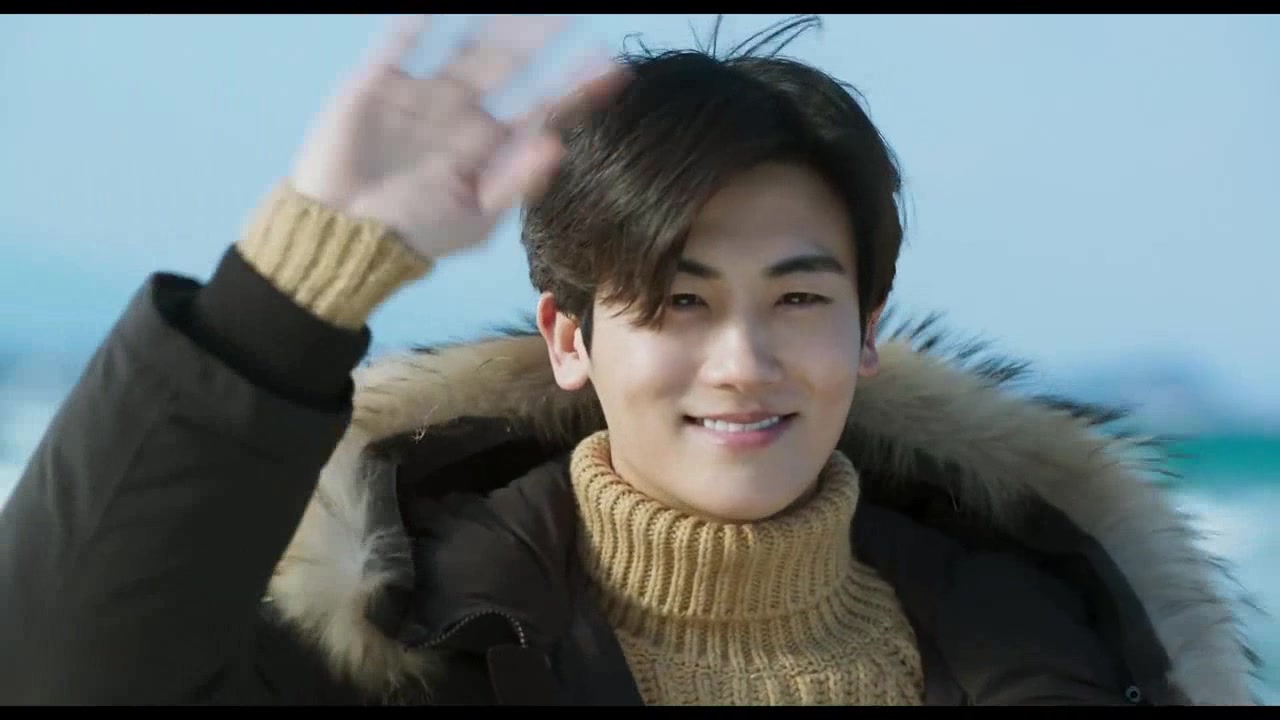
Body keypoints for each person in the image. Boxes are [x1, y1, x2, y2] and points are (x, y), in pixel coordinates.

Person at [0, 14, 1260, 706]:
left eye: (797, 297)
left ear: (866, 327)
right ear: (569, 339)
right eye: (673, 302)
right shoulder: (396, 646)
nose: (741, 361)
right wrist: (295, 279)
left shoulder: (1077, 652)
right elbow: (57, 672)